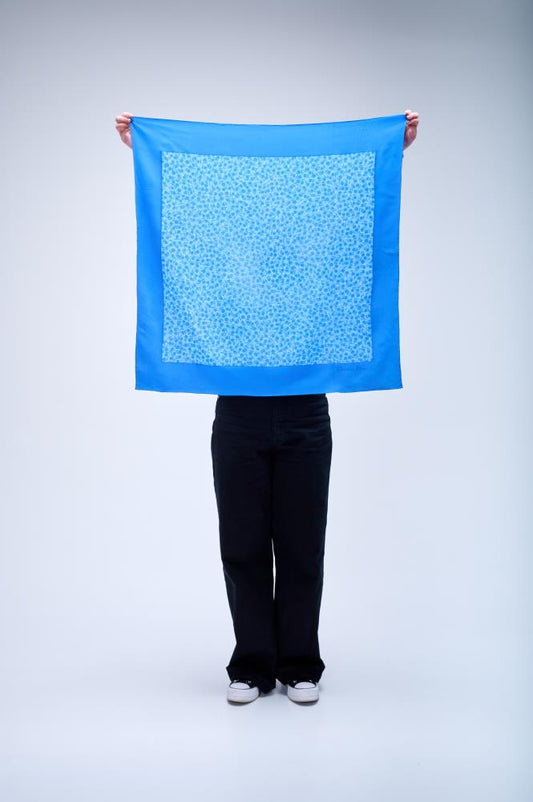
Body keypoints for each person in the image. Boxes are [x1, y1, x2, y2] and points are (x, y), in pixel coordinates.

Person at [116, 108, 419, 705]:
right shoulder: (228, 268)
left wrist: (392, 148)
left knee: (303, 545)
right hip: (238, 414)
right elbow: (196, 216)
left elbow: (345, 212)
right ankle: (251, 665)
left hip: (307, 413)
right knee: (243, 545)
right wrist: (145, 149)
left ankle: (300, 664)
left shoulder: (313, 263)